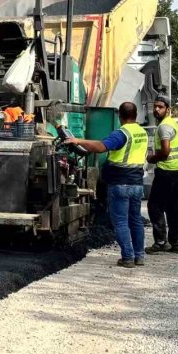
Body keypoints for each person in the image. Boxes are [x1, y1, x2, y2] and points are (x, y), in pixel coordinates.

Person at [65, 102, 149, 268]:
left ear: (120, 116)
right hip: (137, 184)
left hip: (120, 184)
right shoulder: (142, 132)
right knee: (135, 221)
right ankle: (139, 256)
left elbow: (101, 147)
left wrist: (77, 140)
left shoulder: (122, 133)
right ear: (136, 115)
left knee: (121, 222)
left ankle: (127, 257)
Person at [145, 95, 178, 254]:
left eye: (160, 107)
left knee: (154, 206)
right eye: (155, 106)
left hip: (167, 171)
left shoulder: (164, 127)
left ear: (168, 109)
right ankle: (175, 243)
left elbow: (166, 150)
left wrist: (152, 158)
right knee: (173, 207)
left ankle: (161, 242)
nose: (156, 109)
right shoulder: (172, 123)